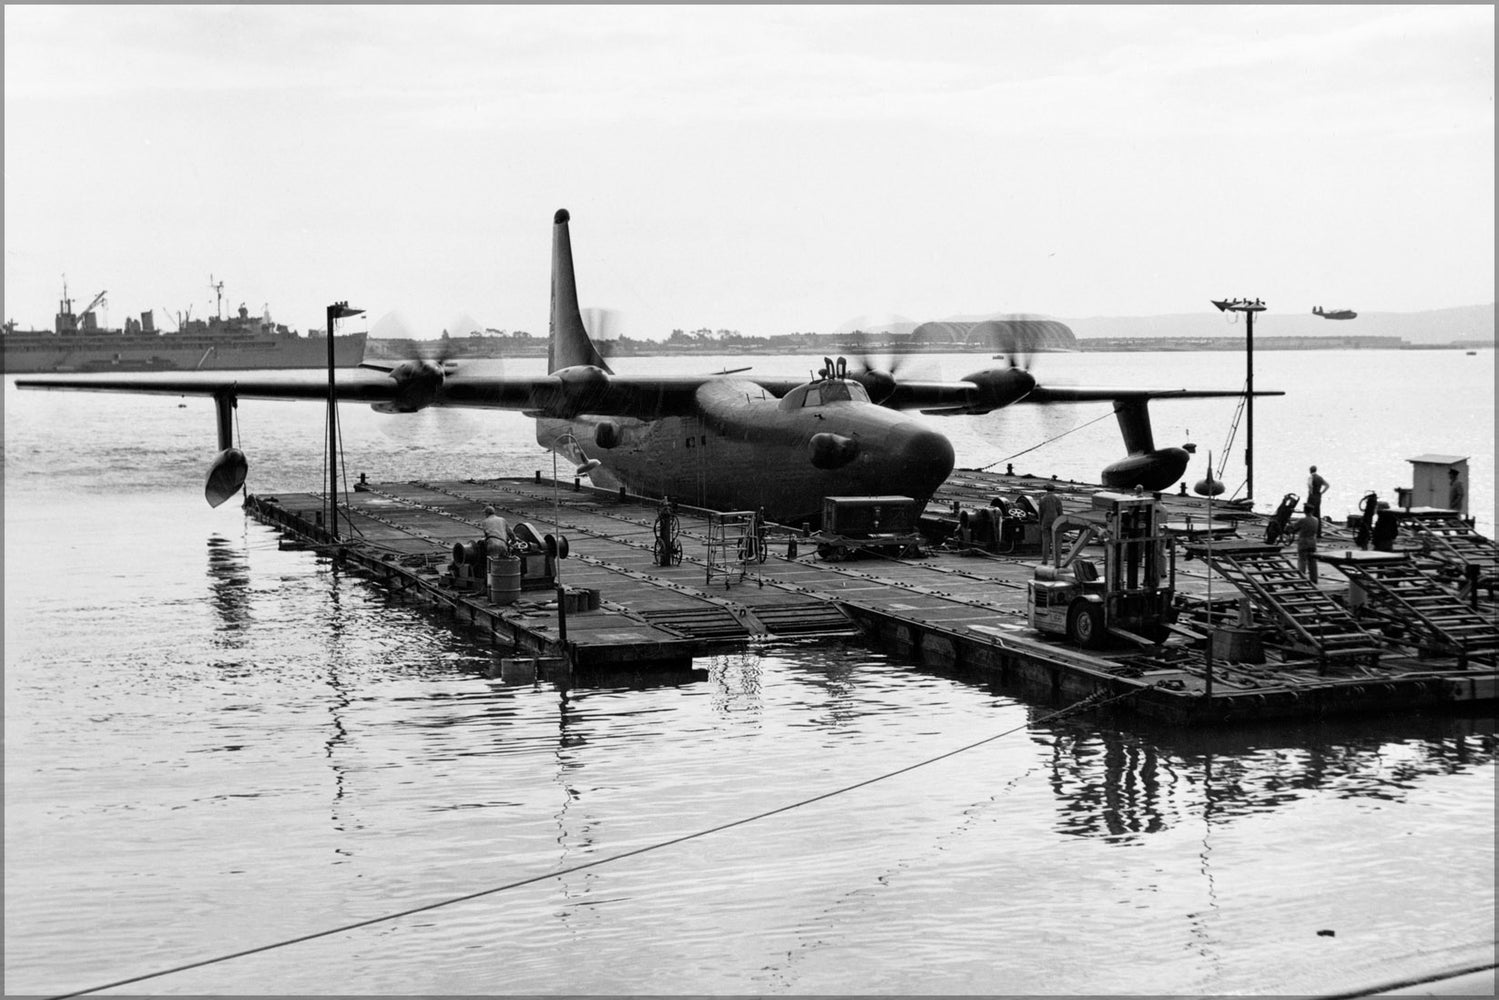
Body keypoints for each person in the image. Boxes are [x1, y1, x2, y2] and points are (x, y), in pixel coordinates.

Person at [1036, 483, 1064, 564]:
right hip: (1056, 522)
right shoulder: (1057, 499)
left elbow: (1040, 513)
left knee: (1045, 542)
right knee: (1057, 543)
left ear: (1046, 489)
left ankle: (1045, 560)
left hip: (1045, 522)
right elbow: (1060, 512)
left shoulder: (1042, 499)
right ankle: (1057, 562)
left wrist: (1040, 523)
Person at [1293, 503, 1320, 582]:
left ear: (1304, 511)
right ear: (1312, 511)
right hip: (1312, 543)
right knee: (1312, 562)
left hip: (1303, 542)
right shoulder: (1316, 520)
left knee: (1302, 561)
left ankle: (1302, 579)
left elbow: (1294, 527)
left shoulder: (1302, 520)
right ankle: (1314, 579)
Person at [1306, 465, 1329, 537]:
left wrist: (1310, 491)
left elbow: (1310, 484)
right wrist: (1322, 492)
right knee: (1317, 514)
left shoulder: (1311, 477)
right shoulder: (1320, 478)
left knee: (1309, 513)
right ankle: (1318, 533)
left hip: (1312, 496)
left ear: (1310, 471)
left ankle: (1310, 532)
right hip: (1318, 497)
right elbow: (1327, 485)